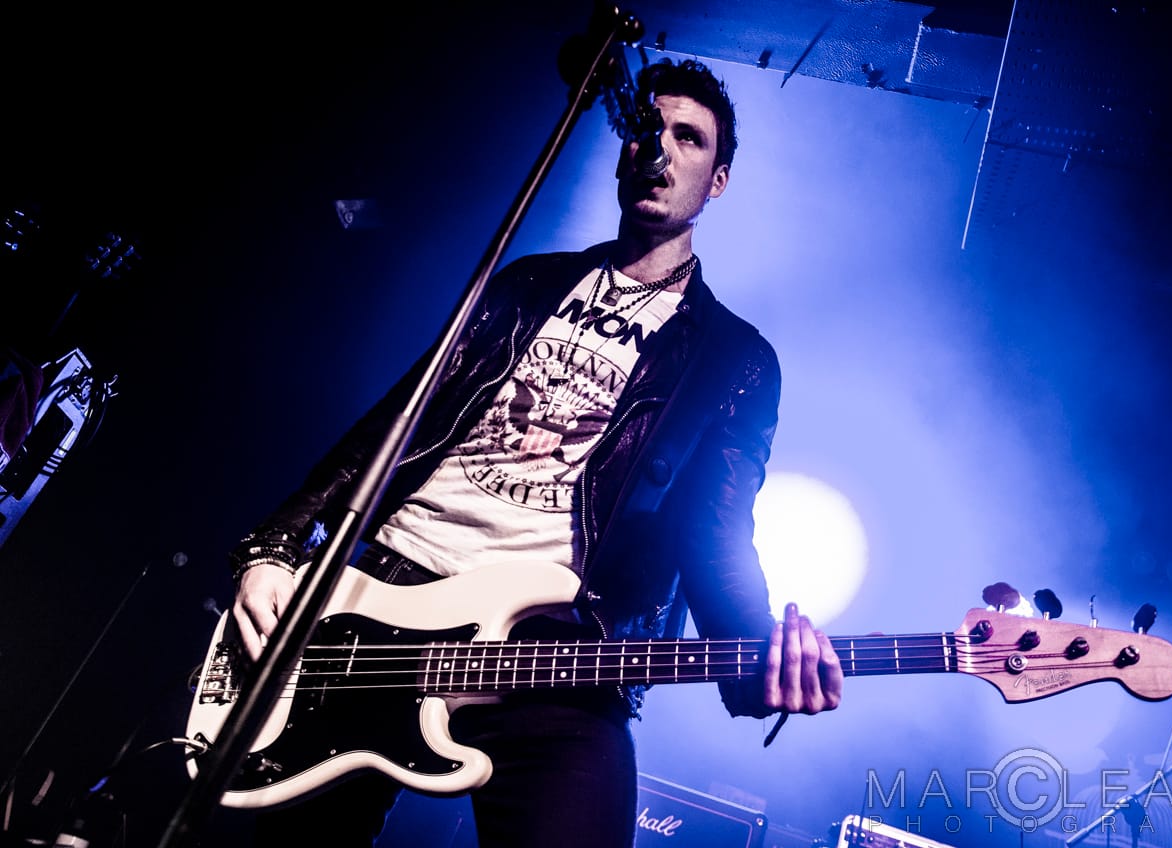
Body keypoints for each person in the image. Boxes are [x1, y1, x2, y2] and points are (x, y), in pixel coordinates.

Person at [226, 57, 842, 848]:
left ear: (717, 181)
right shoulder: (527, 283)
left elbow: (715, 532)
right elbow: (395, 422)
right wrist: (275, 547)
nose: (660, 148)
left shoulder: (733, 358)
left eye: (688, 138)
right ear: (621, 152)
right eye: (646, 130)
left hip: (557, 653)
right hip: (380, 604)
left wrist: (759, 662)